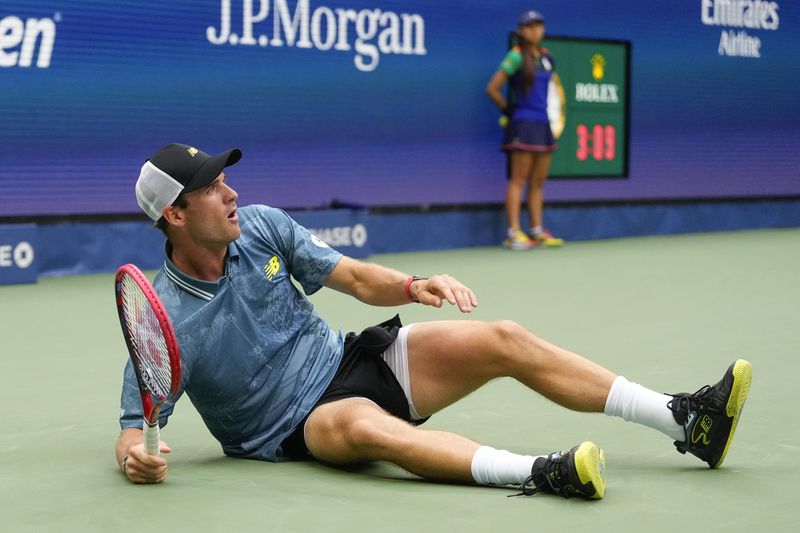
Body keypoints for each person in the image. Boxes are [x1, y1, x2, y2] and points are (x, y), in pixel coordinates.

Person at [116, 143, 752, 500]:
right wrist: (135, 459)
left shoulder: (259, 225)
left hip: (349, 360)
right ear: (174, 215)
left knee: (503, 338)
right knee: (363, 425)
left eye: (227, 180)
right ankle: (542, 472)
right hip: (296, 426)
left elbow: (357, 278)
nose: (231, 194)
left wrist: (416, 285)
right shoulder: (163, 318)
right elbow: (131, 430)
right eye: (212, 188)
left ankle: (685, 420)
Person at [486, 10, 565, 250]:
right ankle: (513, 233)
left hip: (543, 125)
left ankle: (537, 230)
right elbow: (493, 88)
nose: (535, 30)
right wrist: (509, 111)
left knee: (538, 181)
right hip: (523, 123)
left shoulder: (548, 57)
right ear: (521, 31)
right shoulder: (515, 56)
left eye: (539, 25)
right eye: (530, 26)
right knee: (519, 180)